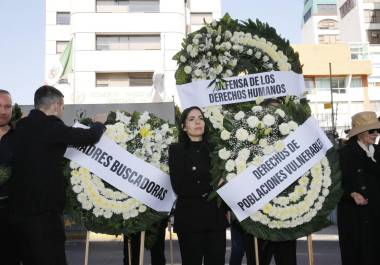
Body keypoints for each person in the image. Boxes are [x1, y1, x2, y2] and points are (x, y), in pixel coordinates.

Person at [9, 85, 107, 265]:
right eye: (62, 107)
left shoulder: (20, 127)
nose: (62, 112)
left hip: (17, 215)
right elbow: (89, 137)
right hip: (44, 216)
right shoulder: (50, 126)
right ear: (55, 106)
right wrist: (99, 124)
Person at [169, 106, 227, 265]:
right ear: (183, 126)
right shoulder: (176, 150)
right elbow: (180, 187)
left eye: (200, 118)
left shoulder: (217, 150)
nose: (197, 122)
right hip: (189, 220)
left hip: (215, 219)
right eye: (192, 119)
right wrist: (214, 186)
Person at [338, 111, 380, 265]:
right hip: (355, 220)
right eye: (372, 130)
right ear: (360, 133)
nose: (376, 134)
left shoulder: (378, 152)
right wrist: (351, 194)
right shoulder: (344, 154)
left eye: (378, 130)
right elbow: (334, 187)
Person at [0, 89, 20, 265]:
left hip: (12, 214)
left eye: (7, 106)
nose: (3, 111)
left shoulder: (20, 137)